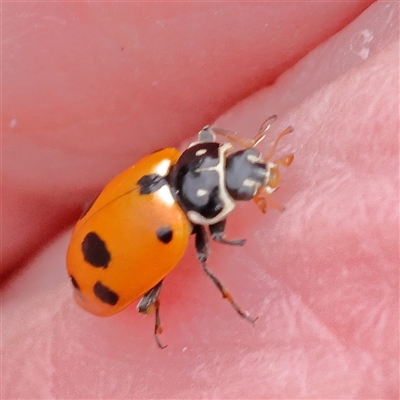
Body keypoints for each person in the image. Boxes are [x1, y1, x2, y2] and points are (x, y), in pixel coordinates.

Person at [2, 2, 398, 398]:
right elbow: (210, 252)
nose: (251, 174)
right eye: (243, 183)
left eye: (242, 161)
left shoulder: (165, 162)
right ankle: (155, 305)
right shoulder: (173, 219)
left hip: (100, 241)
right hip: (97, 284)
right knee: (186, 273)